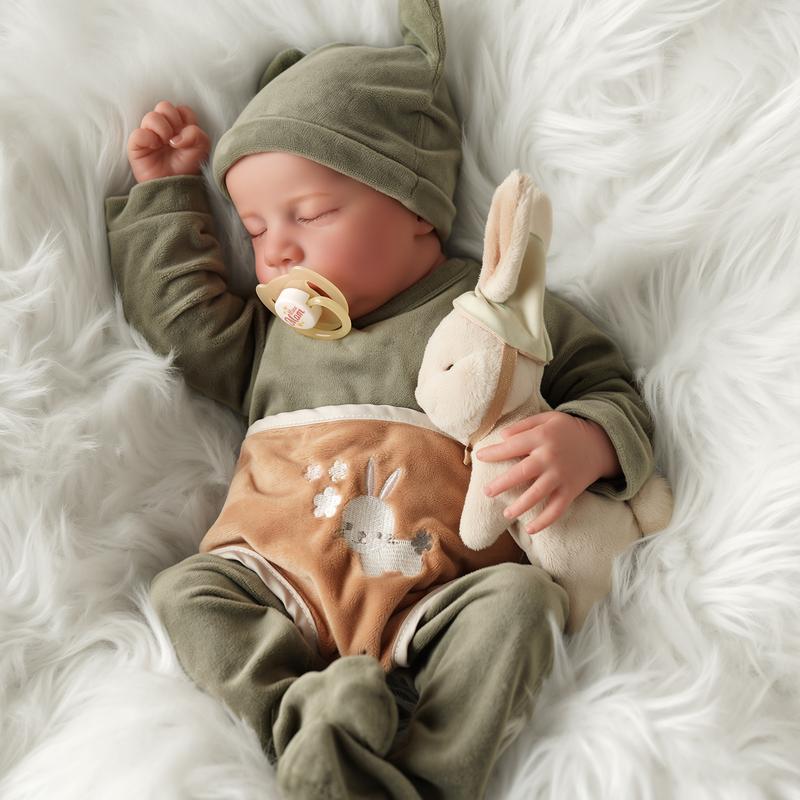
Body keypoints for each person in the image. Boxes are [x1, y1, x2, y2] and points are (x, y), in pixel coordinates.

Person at [104, 1, 655, 797]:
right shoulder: (269, 340)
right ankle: (305, 722)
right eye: (254, 230)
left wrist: (587, 442)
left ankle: (423, 774)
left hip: (438, 594)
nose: (276, 248)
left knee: (521, 601)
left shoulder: (491, 311)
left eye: (309, 214)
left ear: (415, 207)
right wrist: (166, 190)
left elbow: (609, 385)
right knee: (186, 592)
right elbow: (183, 326)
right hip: (279, 585)